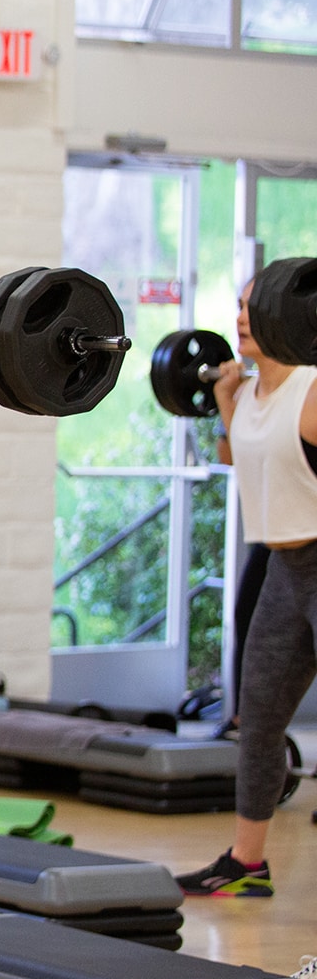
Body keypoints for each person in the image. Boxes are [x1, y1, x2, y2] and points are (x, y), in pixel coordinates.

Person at [181, 278, 317, 897]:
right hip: (285, 572)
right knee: (258, 719)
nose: (239, 317)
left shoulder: (312, 390)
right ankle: (247, 863)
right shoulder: (257, 388)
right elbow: (243, 459)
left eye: (249, 305)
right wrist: (227, 396)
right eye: (235, 305)